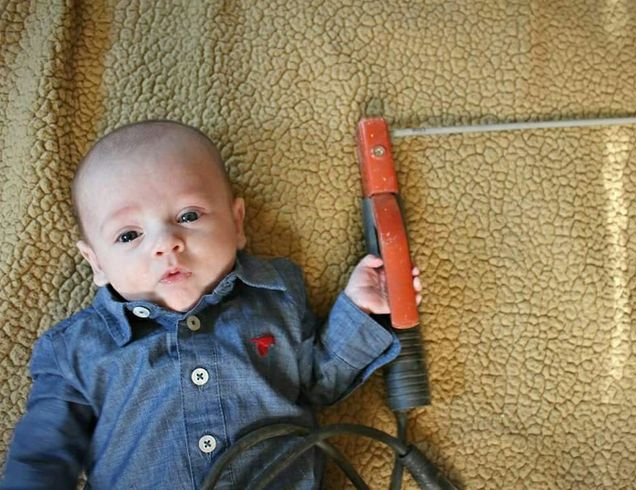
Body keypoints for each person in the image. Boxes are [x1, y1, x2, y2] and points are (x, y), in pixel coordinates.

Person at [1, 120, 421, 489]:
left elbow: (320, 382)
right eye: (129, 236)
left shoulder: (275, 296)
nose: (166, 243)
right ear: (96, 263)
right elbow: (41, 458)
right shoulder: (74, 351)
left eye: (188, 216)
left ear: (237, 223)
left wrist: (359, 310)